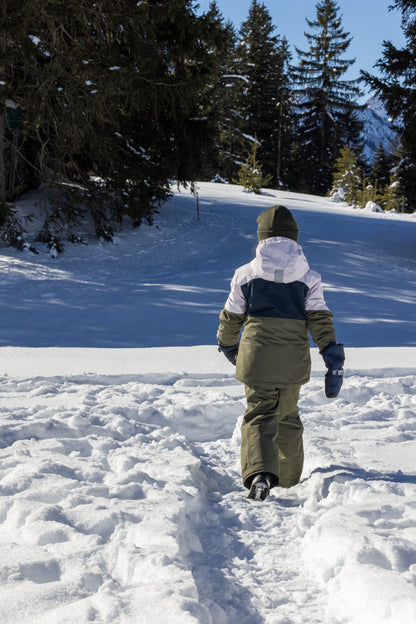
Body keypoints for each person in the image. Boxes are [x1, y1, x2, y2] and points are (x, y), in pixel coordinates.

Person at [217, 205, 344, 501]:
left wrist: (228, 345)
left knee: (260, 415)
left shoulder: (245, 274)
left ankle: (261, 474)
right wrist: (331, 353)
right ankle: (288, 481)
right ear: (295, 239)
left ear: (261, 238)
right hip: (292, 361)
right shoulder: (309, 277)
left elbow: (231, 316)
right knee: (288, 417)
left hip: (256, 358)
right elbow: (320, 319)